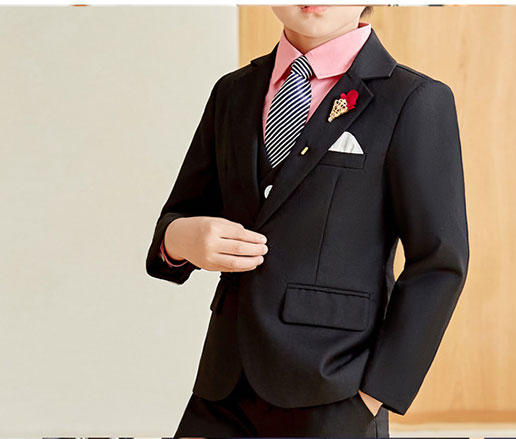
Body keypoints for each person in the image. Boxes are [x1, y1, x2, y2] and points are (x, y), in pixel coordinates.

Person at [145, 4, 469, 437]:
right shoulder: (233, 92)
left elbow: (439, 261)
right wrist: (178, 239)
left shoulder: (413, 99)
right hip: (222, 385)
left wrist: (373, 396)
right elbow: (181, 211)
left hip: (333, 389)